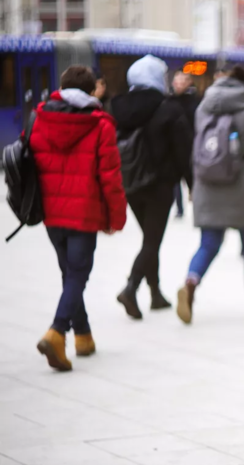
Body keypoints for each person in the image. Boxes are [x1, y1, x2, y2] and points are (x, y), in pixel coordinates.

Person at [30, 66, 127, 371]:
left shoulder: (40, 116)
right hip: (83, 212)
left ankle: (83, 336)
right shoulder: (100, 124)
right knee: (77, 274)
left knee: (69, 274)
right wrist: (117, 218)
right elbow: (110, 176)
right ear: (91, 90)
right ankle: (57, 331)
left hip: (50, 210)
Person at [176, 65, 244, 324]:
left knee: (209, 243)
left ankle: (191, 282)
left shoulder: (202, 110)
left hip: (208, 185)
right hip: (242, 188)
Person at [111, 55, 193, 320]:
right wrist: (191, 184)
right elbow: (183, 151)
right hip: (159, 184)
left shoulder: (117, 107)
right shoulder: (168, 108)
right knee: (152, 240)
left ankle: (155, 293)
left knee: (149, 238)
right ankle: (131, 288)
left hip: (130, 183)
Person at [169, 70, 201, 218]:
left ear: (189, 83)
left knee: (192, 178)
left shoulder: (194, 101)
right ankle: (179, 208)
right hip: (174, 147)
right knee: (175, 180)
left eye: (183, 81)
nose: (179, 84)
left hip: (191, 146)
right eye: (177, 81)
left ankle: (195, 204)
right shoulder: (168, 101)